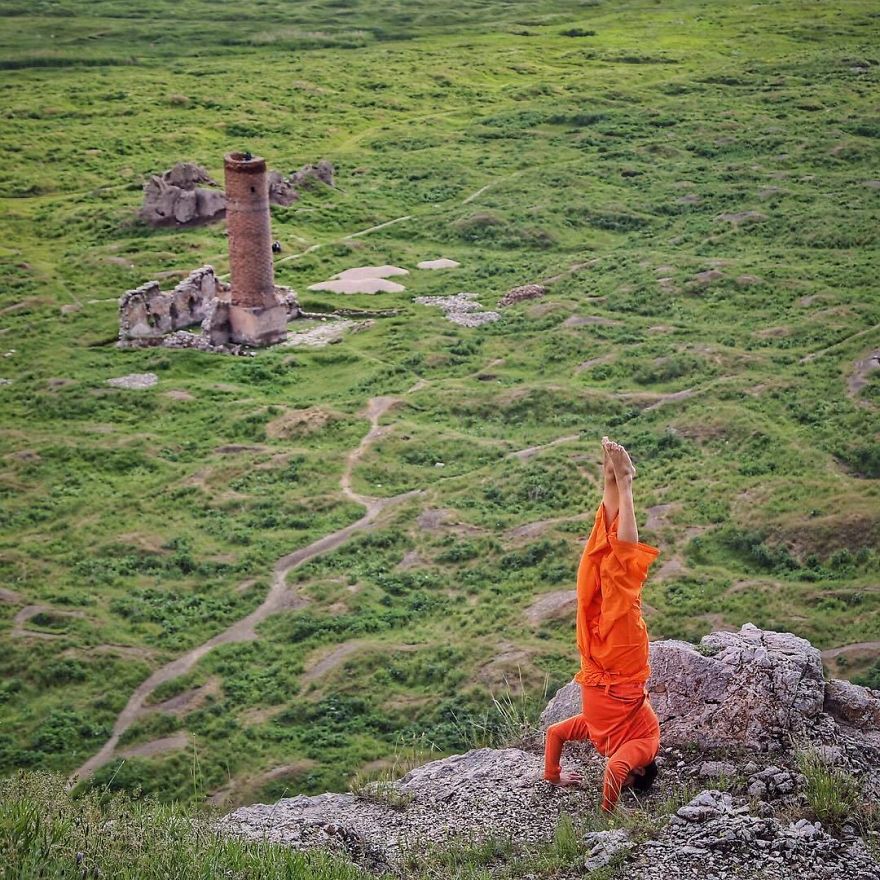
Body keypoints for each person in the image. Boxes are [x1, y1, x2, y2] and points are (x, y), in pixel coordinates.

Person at [543, 436, 661, 811]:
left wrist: (552, 774)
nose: (623, 774)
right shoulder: (644, 749)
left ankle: (609, 478)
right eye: (630, 779)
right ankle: (625, 483)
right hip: (624, 663)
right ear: (639, 774)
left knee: (592, 574)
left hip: (594, 661)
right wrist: (606, 817)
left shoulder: (600, 735)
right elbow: (614, 770)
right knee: (622, 578)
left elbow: (555, 732)